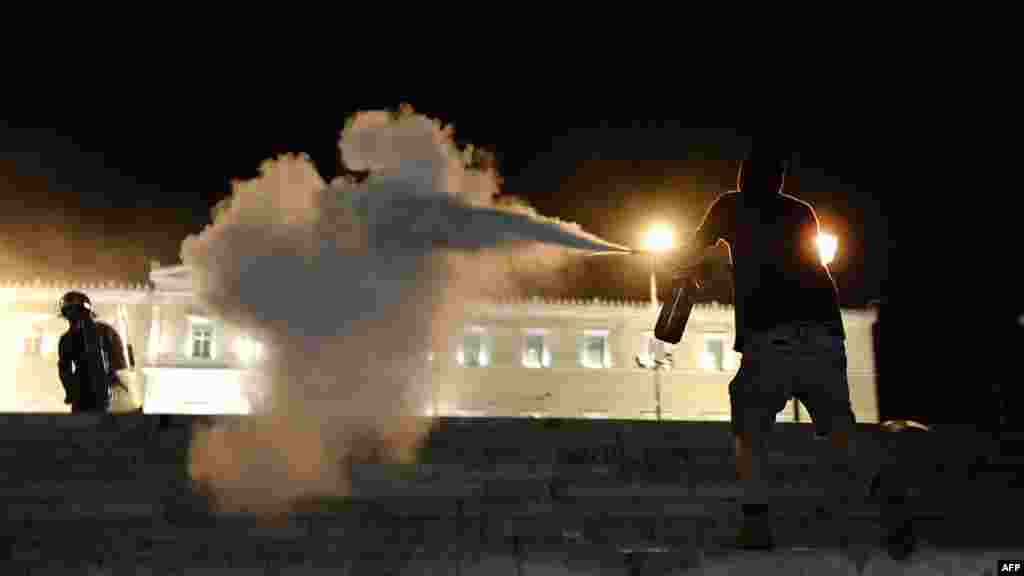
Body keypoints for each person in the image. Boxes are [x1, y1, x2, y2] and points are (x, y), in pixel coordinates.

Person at [671, 156, 856, 549]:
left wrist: (681, 263)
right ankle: (881, 508)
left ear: (742, 179)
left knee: (750, 428)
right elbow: (775, 255)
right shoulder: (801, 212)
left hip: (770, 334)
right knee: (840, 430)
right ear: (780, 182)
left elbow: (695, 250)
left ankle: (756, 524)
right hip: (824, 330)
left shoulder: (731, 205)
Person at [57, 291, 129, 413]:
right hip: (84, 393)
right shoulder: (67, 339)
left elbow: (120, 364)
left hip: (102, 391)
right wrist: (72, 392)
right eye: (70, 313)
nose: (73, 318)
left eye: (76, 312)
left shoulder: (105, 332)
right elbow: (64, 369)